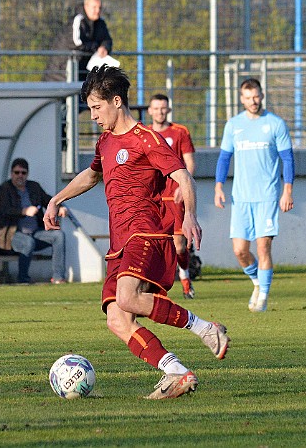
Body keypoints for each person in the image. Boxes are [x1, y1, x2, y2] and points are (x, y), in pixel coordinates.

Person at [43, 65, 230, 399]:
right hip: (119, 241)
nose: (93, 116)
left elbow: (182, 176)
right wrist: (57, 198)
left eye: (97, 108)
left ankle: (205, 329)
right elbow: (91, 175)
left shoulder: (147, 139)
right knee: (117, 319)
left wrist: (189, 218)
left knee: (128, 297)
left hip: (146, 232)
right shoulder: (105, 142)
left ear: (117, 101)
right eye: (90, 109)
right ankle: (176, 372)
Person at [214, 78, 294, 313]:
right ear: (241, 99)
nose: (253, 101)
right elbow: (224, 158)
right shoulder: (234, 125)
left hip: (268, 196)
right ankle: (258, 283)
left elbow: (287, 159)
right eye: (248, 97)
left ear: (262, 95)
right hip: (241, 198)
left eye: (256, 96)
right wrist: (219, 186)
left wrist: (287, 191)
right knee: (239, 250)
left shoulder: (275, 124)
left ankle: (264, 298)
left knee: (263, 248)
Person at [148, 94, 197, 299]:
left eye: (163, 108)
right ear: (150, 110)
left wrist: (183, 186)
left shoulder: (179, 132)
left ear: (168, 110)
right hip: (153, 197)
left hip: (174, 196)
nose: (160, 111)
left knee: (178, 246)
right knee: (154, 244)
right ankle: (155, 287)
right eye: (156, 108)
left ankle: (185, 276)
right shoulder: (144, 133)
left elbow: (190, 162)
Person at [0, 158, 67, 284]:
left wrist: (59, 207)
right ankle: (23, 280)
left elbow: (48, 200)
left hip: (35, 231)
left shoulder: (34, 187)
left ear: (27, 174)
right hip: (11, 234)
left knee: (58, 235)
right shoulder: (4, 189)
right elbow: (3, 210)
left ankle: (58, 277)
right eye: (16, 172)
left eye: (23, 173)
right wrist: (24, 211)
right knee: (28, 242)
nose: (20, 176)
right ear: (11, 173)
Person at [72, 0, 113, 82]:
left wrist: (104, 47)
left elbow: (107, 40)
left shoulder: (100, 23)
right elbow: (77, 44)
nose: (97, 11)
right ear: (86, 7)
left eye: (99, 8)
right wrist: (97, 48)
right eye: (94, 7)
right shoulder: (77, 20)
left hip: (86, 72)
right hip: (66, 71)